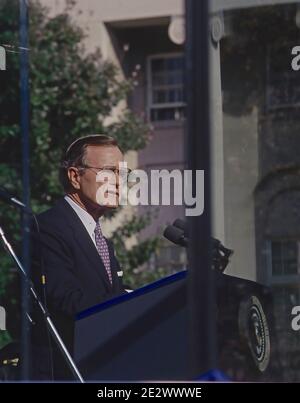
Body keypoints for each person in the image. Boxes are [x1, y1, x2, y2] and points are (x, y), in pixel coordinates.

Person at [30, 134, 127, 380]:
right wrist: (127, 305)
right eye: (109, 171)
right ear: (75, 176)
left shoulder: (102, 240)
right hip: (64, 371)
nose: (118, 182)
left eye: (122, 173)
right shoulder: (47, 228)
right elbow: (66, 299)